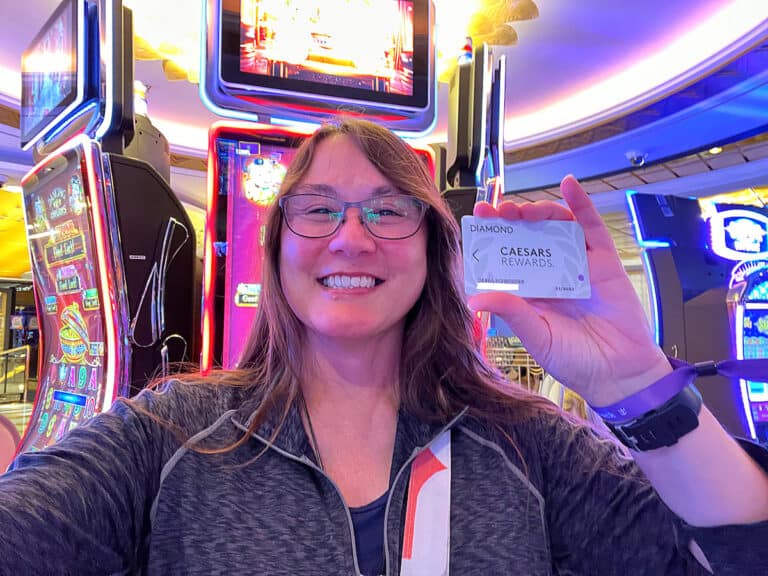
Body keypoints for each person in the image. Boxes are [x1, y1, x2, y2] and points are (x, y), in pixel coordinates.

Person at [1, 118, 767, 576]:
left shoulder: (530, 443)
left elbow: (737, 555)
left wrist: (635, 379)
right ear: (275, 249)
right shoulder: (168, 433)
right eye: (319, 210)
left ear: (434, 248)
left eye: (389, 211)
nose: (352, 237)